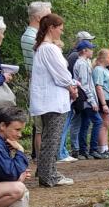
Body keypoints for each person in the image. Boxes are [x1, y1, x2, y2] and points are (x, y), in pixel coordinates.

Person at [29, 13, 77, 187]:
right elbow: (61, 74)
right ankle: (48, 175)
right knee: (52, 138)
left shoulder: (42, 48)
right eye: (60, 29)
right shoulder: (49, 49)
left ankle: (46, 171)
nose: (61, 33)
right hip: (52, 101)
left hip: (49, 99)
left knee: (51, 137)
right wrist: (71, 86)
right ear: (51, 28)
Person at [21, 1, 52, 160]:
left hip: (42, 85)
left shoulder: (36, 36)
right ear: (39, 17)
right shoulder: (31, 37)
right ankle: (42, 161)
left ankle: (45, 161)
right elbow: (43, 62)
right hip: (40, 86)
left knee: (44, 126)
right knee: (41, 127)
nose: (51, 17)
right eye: (48, 14)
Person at [71, 40, 104, 159]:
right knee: (98, 121)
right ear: (85, 50)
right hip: (86, 99)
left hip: (84, 98)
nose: (92, 51)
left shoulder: (84, 63)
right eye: (91, 49)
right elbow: (84, 84)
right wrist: (92, 101)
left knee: (85, 123)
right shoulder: (82, 64)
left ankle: (83, 151)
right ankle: (93, 149)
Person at [92, 49, 109, 157]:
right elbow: (98, 86)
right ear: (104, 58)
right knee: (103, 124)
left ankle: (105, 147)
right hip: (104, 99)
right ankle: (102, 148)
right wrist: (103, 104)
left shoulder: (106, 70)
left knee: (107, 124)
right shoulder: (98, 70)